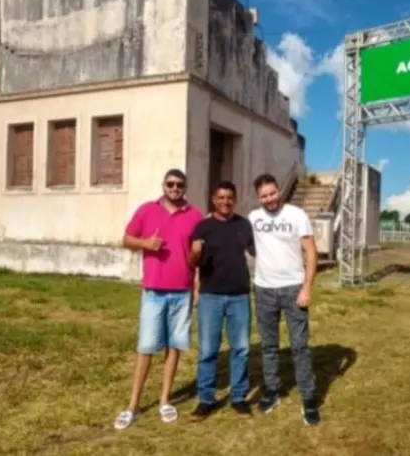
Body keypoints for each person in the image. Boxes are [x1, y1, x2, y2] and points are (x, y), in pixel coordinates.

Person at [114, 169, 203, 430]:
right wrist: (145, 244)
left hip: (182, 291)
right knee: (146, 347)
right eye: (170, 184)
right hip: (153, 291)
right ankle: (133, 405)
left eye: (179, 184)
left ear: (185, 187)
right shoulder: (146, 210)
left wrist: (197, 284)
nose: (175, 188)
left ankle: (165, 400)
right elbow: (126, 239)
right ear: (163, 185)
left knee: (174, 346)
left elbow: (196, 255)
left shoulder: (194, 215)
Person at [248, 173, 321, 426]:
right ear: (258, 198)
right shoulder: (253, 219)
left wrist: (306, 288)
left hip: (293, 290)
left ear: (279, 190)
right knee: (268, 346)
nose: (270, 199)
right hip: (264, 290)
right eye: (264, 196)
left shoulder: (296, 215)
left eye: (273, 193)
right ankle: (272, 391)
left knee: (300, 346)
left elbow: (311, 252)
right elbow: (249, 246)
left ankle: (309, 398)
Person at [186, 181, 255, 422]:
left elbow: (258, 251)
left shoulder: (244, 225)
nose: (225, 202)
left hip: (239, 296)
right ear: (213, 200)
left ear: (234, 200)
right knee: (208, 350)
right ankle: (206, 400)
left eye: (229, 198)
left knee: (241, 349)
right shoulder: (203, 227)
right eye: (221, 197)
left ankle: (238, 398)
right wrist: (195, 252)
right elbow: (192, 262)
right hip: (210, 296)